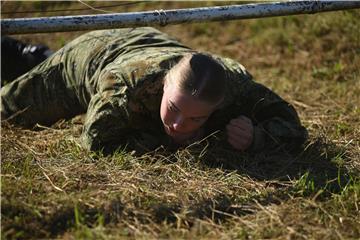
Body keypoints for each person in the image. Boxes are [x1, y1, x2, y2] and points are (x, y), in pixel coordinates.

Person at [1, 27, 308, 154]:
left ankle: (37, 56)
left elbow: (292, 126)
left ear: (218, 105)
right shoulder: (125, 88)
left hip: (151, 43)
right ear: (164, 87)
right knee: (9, 108)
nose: (177, 125)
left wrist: (257, 137)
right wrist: (172, 143)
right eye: (173, 109)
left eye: (195, 119)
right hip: (89, 58)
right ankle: (19, 52)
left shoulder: (236, 87)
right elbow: (96, 140)